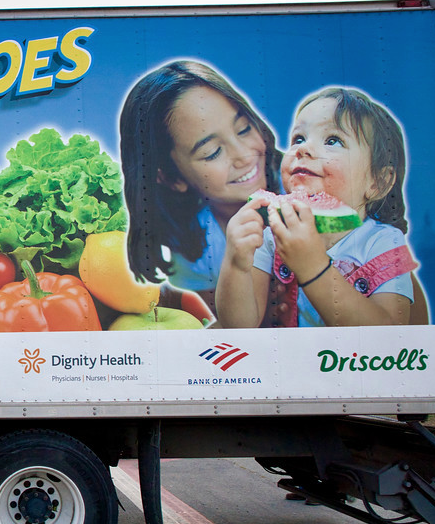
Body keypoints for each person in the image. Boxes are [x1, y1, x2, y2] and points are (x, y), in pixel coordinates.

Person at [217, 87, 417, 328]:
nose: (303, 149)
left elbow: (389, 335)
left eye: (333, 140)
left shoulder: (384, 242)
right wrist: (236, 264)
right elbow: (240, 327)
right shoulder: (271, 237)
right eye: (298, 138)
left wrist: (313, 268)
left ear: (378, 182)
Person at [119, 60, 283, 317]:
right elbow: (229, 324)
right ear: (173, 179)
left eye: (243, 129)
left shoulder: (304, 178)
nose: (244, 155)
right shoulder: (195, 250)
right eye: (212, 152)